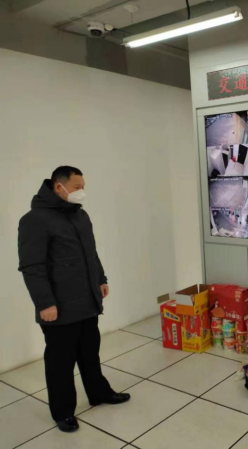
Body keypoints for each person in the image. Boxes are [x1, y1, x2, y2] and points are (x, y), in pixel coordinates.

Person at [18, 166, 130, 433]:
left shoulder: (80, 215)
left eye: (83, 187)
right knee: (61, 362)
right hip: (58, 306)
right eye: (77, 187)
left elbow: (91, 252)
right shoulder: (34, 220)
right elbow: (32, 267)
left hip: (87, 300)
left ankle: (99, 392)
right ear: (59, 187)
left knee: (90, 352)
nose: (82, 192)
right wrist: (45, 303)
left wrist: (100, 278)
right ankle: (63, 411)